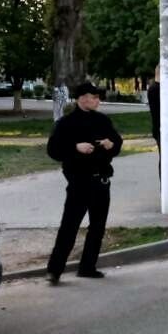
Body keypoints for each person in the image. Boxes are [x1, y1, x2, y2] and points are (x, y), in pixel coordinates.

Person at [44, 81, 123, 284]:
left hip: (101, 180)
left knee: (97, 227)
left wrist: (111, 144)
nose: (98, 101)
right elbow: (53, 150)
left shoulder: (102, 120)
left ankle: (88, 266)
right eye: (94, 97)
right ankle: (55, 270)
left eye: (98, 97)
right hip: (79, 181)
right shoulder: (66, 123)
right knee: (69, 226)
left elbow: (117, 142)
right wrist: (75, 148)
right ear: (83, 98)